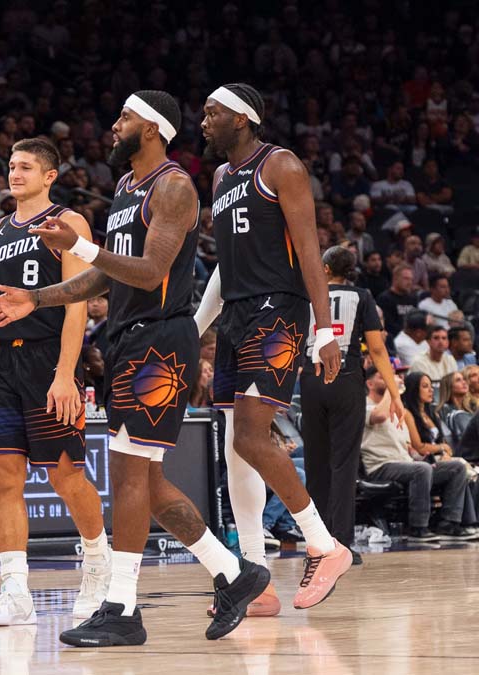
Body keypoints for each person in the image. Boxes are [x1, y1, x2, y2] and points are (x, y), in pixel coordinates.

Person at [0, 90, 265, 646]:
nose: (114, 126)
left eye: (125, 118)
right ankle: (233, 574)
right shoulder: (124, 188)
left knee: (128, 476)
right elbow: (106, 278)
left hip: (161, 342)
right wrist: (36, 299)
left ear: (154, 129)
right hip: (127, 341)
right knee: (151, 483)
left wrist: (83, 250)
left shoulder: (174, 186)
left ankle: (123, 608)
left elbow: (152, 268)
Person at [193, 83, 352, 612]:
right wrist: (197, 329)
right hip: (236, 315)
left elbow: (309, 250)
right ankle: (255, 581)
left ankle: (324, 544)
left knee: (254, 440)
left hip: (277, 311)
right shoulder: (219, 177)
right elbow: (225, 263)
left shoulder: (280, 165)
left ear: (242, 118)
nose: (204, 121)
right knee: (235, 448)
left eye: (213, 113)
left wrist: (325, 329)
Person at [0, 137, 110, 628]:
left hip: (48, 360)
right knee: (4, 477)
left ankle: (97, 565)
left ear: (50, 175)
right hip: (2, 365)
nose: (15, 173)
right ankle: (15, 591)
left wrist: (67, 374)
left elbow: (76, 302)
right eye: (11, 165)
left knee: (64, 475)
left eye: (26, 166)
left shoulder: (68, 223)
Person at [298, 246, 402, 559]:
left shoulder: (307, 294)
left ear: (326, 269)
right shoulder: (362, 296)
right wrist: (395, 395)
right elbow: (378, 350)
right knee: (344, 464)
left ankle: (317, 543)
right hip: (346, 378)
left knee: (316, 464)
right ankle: (342, 545)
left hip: (312, 378)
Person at [363, 369, 477, 542]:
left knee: (456, 467)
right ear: (369, 384)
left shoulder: (396, 409)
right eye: (382, 377)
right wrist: (391, 389)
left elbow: (410, 448)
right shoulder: (363, 405)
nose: (387, 379)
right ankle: (417, 527)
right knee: (421, 470)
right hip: (380, 466)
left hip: (406, 463)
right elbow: (379, 416)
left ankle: (448, 523)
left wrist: (430, 457)